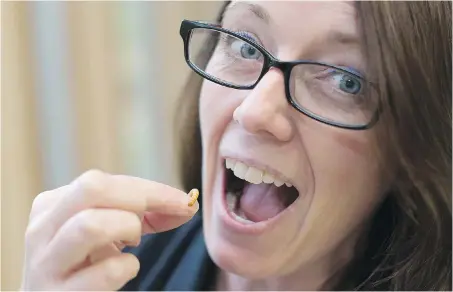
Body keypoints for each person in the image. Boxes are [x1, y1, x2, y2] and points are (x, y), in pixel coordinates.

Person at [21, 1, 451, 291]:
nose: (255, 111)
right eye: (245, 44)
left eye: (345, 80)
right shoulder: (120, 272)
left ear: (410, 145)